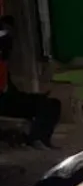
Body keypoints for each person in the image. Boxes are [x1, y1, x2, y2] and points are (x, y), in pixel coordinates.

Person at [0, 15, 60, 148]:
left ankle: (38, 139)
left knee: (51, 104)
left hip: (7, 99)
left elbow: (10, 91)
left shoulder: (4, 64)